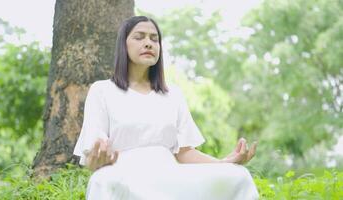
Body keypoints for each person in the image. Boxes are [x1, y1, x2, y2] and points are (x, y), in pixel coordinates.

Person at [73, 16, 259, 200]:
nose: (148, 43)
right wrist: (98, 159)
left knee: (239, 176)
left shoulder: (173, 94)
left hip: (170, 175)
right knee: (103, 180)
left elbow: (185, 152)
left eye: (154, 39)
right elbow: (93, 153)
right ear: (123, 45)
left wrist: (225, 163)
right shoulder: (102, 90)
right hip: (125, 175)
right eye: (139, 37)